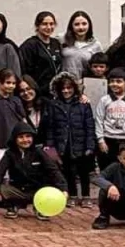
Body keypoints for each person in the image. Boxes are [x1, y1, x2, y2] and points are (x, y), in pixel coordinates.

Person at [0, 122, 67, 220]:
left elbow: (54, 171)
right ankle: (13, 206)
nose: (25, 140)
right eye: (21, 137)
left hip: (39, 191)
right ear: (15, 139)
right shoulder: (9, 154)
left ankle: (40, 208)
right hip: (18, 190)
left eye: (28, 136)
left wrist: (63, 189)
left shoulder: (39, 152)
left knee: (52, 189)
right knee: (0, 190)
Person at [44, 72, 97, 208]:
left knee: (84, 171)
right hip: (63, 144)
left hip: (81, 143)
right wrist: (50, 146)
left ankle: (86, 195)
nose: (66, 91)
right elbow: (50, 127)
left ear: (75, 88)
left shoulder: (83, 104)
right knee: (68, 171)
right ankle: (72, 194)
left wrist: (90, 145)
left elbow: (90, 126)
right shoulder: (53, 105)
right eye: (63, 88)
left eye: (69, 88)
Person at [18, 11, 63, 95]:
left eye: (51, 24)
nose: (48, 27)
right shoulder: (29, 45)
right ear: (37, 26)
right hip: (38, 92)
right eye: (44, 24)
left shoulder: (56, 43)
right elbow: (24, 71)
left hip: (55, 91)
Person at [61, 11, 102, 78]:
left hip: (85, 82)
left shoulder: (96, 45)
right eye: (76, 24)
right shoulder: (61, 40)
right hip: (65, 82)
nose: (81, 27)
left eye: (84, 24)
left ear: (89, 25)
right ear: (71, 26)